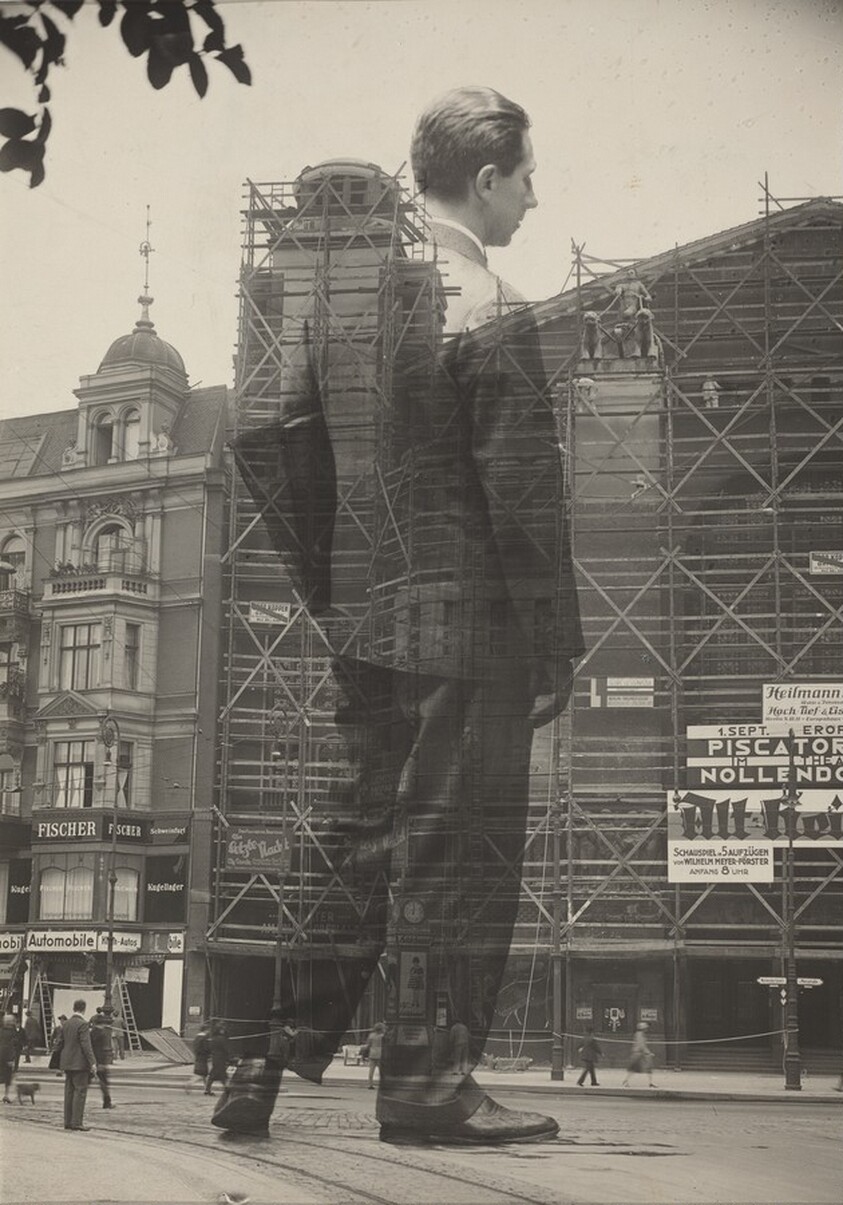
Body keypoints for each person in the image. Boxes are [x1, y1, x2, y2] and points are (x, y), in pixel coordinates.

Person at [234, 85, 582, 1146]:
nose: (532, 197)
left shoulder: (340, 304)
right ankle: (429, 1084)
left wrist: (330, 583)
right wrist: (553, 644)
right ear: (484, 178)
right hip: (466, 629)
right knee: (454, 849)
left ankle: (260, 1054)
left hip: (367, 620)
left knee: (355, 838)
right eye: (526, 178)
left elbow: (265, 438)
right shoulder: (487, 300)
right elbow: (523, 494)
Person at [59, 998, 97, 1130]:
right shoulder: (83, 1024)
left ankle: (68, 1121)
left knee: (69, 1092)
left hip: (67, 1062)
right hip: (79, 1063)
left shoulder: (66, 1024)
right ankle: (77, 1122)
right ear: (84, 1009)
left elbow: (60, 1043)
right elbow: (86, 1045)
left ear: (73, 1008)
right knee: (80, 1092)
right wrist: (92, 1062)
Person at [89, 1010, 114, 1109]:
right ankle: (107, 1102)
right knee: (103, 1082)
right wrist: (102, 1063)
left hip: (92, 1061)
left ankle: (77, 1098)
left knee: (86, 1082)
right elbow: (100, 1049)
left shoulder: (91, 1033)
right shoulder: (102, 1034)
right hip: (99, 1062)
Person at [621, 1021, 656, 1088]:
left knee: (643, 1068)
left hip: (639, 1053)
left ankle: (650, 1082)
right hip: (639, 1054)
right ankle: (626, 1081)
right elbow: (641, 1045)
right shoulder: (640, 1035)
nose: (646, 1029)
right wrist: (648, 1053)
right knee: (639, 1068)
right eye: (645, 1028)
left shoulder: (639, 1034)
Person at [205, 1022, 234, 1096]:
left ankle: (207, 1089)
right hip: (221, 1058)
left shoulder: (213, 1039)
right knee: (222, 1075)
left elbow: (210, 1048)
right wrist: (230, 1057)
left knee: (214, 1074)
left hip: (215, 1058)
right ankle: (227, 1090)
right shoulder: (222, 1039)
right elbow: (226, 1049)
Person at [0, 1014, 17, 1103]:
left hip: (1, 1057)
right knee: (7, 1077)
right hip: (7, 1058)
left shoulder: (1, 1031)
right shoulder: (13, 1033)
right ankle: (6, 1095)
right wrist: (11, 1058)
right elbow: (12, 1046)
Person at [365, 1022, 386, 1090]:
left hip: (372, 1053)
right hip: (380, 1054)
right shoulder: (383, 1036)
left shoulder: (371, 1035)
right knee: (381, 1071)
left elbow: (368, 1045)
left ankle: (370, 1084)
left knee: (371, 1070)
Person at [192, 1023, 211, 1090]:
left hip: (198, 1057)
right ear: (206, 1030)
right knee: (203, 1074)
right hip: (203, 1058)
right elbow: (206, 1048)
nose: (209, 1032)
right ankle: (190, 1083)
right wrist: (209, 1053)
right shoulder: (204, 1038)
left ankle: (206, 1089)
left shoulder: (197, 1037)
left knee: (203, 1075)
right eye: (208, 1030)